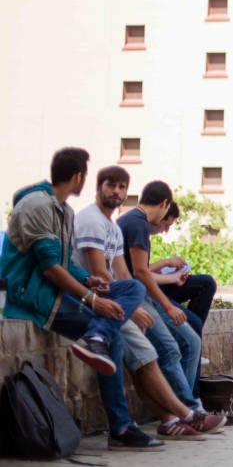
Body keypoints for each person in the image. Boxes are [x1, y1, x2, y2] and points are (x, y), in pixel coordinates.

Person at [0, 148, 162, 450]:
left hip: (62, 290)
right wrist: (92, 300)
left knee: (133, 290)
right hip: (35, 296)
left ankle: (96, 336)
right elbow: (49, 268)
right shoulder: (37, 206)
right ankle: (121, 428)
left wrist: (89, 279)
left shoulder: (64, 209)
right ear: (79, 176)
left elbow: (64, 261)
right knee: (116, 339)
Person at [74, 166, 224, 439]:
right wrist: (156, 307)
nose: (117, 192)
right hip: (96, 304)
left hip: (123, 300)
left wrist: (137, 304)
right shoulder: (112, 222)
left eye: (122, 187)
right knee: (168, 348)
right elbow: (113, 277)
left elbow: (125, 276)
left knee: (153, 353)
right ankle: (186, 410)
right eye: (112, 185)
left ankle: (172, 416)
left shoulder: (116, 226)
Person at [117, 182, 203, 409]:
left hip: (140, 295)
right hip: (136, 299)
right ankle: (187, 410)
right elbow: (141, 272)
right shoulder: (138, 224)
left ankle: (187, 404)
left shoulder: (132, 220)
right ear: (164, 204)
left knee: (192, 341)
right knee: (171, 349)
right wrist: (168, 306)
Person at [149, 201, 216, 372]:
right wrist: (167, 263)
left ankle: (193, 344)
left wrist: (172, 275)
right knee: (193, 324)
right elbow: (139, 273)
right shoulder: (136, 227)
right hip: (147, 291)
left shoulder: (143, 231)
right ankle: (193, 393)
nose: (165, 230)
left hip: (157, 283)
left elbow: (144, 271)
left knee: (206, 283)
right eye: (166, 224)